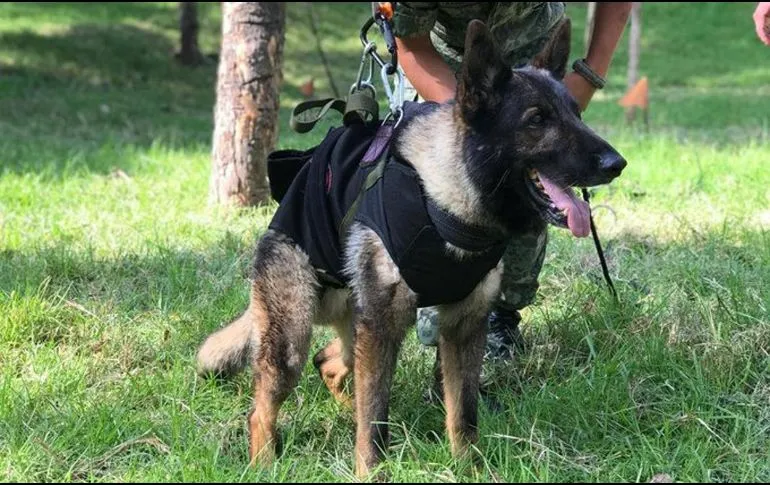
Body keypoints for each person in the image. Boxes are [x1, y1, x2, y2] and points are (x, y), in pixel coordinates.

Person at [389, 3, 633, 362]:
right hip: (446, 67)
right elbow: (412, 46)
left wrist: (589, 73)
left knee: (525, 200)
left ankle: (500, 318)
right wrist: (470, 118)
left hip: (537, 52)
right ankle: (437, 310)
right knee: (439, 215)